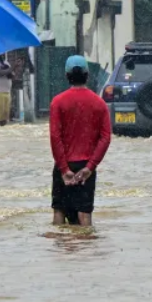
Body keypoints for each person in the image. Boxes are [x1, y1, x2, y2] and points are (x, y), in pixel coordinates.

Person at [50, 55, 112, 227]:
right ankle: (86, 253)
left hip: (64, 165)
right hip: (86, 166)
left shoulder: (58, 102)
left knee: (59, 212)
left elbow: (55, 137)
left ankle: (59, 252)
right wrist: (89, 167)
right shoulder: (99, 104)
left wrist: (63, 169)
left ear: (66, 76)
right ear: (87, 75)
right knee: (84, 214)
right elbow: (105, 138)